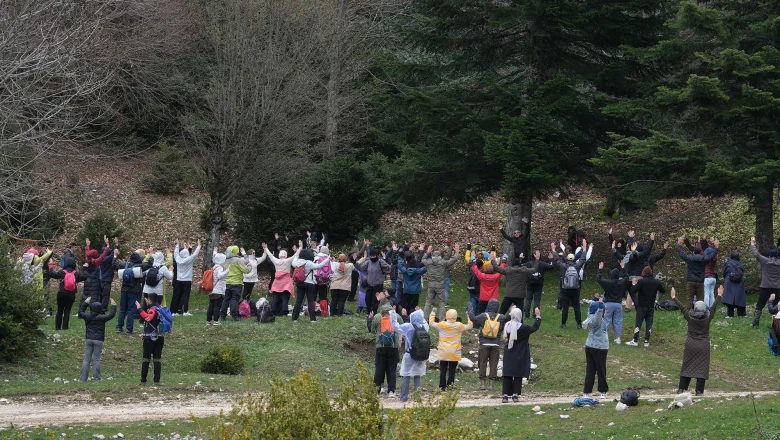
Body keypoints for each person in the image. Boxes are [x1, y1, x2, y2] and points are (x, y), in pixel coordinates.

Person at [672, 285, 722, 396]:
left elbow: (683, 308)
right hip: (703, 345)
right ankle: (699, 391)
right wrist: (719, 296)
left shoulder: (690, 316)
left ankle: (681, 389)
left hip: (690, 345)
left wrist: (674, 297)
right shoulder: (708, 318)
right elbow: (713, 307)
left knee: (687, 366)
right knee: (702, 368)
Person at [467, 299, 509, 391]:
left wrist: (470, 306)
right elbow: (508, 319)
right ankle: (491, 385)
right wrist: (511, 311)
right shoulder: (501, 317)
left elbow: (472, 318)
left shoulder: (483, 316)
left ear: (488, 306)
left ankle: (482, 384)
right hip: (496, 344)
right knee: (493, 364)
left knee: (482, 363)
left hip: (484, 343)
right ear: (497, 307)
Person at [502, 306, 541, 403]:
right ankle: (515, 395)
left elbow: (504, 320)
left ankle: (505, 395)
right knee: (517, 374)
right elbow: (534, 328)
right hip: (520, 353)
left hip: (508, 353)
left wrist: (510, 311)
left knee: (508, 374)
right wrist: (538, 317)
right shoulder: (524, 328)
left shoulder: (506, 326)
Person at [389, 308, 428, 403]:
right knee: (417, 376)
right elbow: (425, 321)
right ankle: (416, 397)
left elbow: (395, 326)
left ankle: (403, 397)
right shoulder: (425, 327)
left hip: (409, 354)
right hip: (421, 354)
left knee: (406, 375)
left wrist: (393, 314)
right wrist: (420, 312)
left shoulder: (408, 326)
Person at [429, 308, 472, 391]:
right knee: (452, 370)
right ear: (456, 317)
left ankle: (442, 386)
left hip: (443, 352)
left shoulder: (442, 325)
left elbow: (431, 323)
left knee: (443, 370)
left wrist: (433, 312)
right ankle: (450, 386)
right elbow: (470, 326)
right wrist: (468, 316)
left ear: (446, 316)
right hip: (454, 352)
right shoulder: (459, 326)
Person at [77, 296, 116, 381]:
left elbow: (81, 311)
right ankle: (97, 378)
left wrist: (86, 302)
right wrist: (113, 304)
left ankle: (83, 378)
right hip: (98, 340)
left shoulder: (87, 316)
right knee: (96, 359)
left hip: (88, 339)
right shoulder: (102, 318)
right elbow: (112, 314)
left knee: (86, 359)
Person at [551, 241, 587, 329]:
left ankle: (563, 324)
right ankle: (579, 324)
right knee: (576, 307)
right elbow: (582, 260)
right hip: (575, 290)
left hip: (565, 289)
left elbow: (557, 259)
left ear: (567, 259)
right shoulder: (577, 266)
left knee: (565, 307)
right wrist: (585, 249)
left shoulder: (563, 266)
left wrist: (553, 250)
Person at [370, 304, 403, 397]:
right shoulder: (397, 317)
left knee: (379, 368)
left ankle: (377, 390)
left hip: (380, 346)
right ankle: (391, 391)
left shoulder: (377, 317)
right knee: (392, 369)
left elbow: (372, 331)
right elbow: (402, 329)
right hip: (393, 346)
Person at [115, 251, 152, 335]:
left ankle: (119, 327)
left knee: (122, 309)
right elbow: (149, 264)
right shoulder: (139, 267)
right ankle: (129, 329)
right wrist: (150, 254)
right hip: (134, 291)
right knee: (131, 310)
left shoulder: (125, 265)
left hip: (124, 290)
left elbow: (115, 264)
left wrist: (115, 256)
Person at [628, 266, 665, 347]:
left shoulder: (641, 281)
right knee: (649, 324)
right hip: (651, 306)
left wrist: (634, 284)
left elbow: (633, 290)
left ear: (644, 273)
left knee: (638, 323)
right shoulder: (656, 282)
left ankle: (635, 340)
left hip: (642, 305)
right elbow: (663, 290)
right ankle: (646, 341)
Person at [677, 236, 719, 306]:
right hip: (700, 281)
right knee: (700, 299)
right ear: (700, 252)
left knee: (689, 299)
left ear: (693, 252)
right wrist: (716, 247)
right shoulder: (704, 259)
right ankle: (700, 312)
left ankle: (689, 313)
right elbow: (711, 256)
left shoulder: (690, 258)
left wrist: (679, 244)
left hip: (691, 281)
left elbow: (682, 254)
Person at [421, 246, 460, 321]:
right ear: (440, 256)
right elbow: (454, 259)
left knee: (428, 302)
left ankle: (425, 319)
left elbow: (423, 259)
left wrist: (428, 252)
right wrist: (457, 252)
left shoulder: (429, 263)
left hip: (431, 285)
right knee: (442, 303)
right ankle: (442, 319)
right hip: (440, 286)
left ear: (432, 256)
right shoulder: (443, 263)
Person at [48, 256, 86, 330]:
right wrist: (82, 269)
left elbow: (51, 274)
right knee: (67, 311)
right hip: (71, 293)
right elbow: (84, 277)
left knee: (60, 310)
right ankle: (65, 327)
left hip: (62, 292)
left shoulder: (62, 272)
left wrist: (51, 265)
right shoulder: (76, 273)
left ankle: (57, 327)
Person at [263, 241, 301, 317]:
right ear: (286, 255)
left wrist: (266, 248)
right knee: (285, 297)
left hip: (277, 282)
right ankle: (284, 310)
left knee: (276, 297)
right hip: (286, 282)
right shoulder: (288, 260)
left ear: (279, 255)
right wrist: (300, 247)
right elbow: (296, 255)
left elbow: (270, 255)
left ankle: (273, 310)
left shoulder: (276, 261)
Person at [292, 247, 329, 323]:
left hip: (299, 283)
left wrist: (296, 254)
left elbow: (293, 261)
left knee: (298, 301)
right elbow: (319, 266)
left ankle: (294, 318)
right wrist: (327, 260)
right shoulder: (308, 263)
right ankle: (312, 318)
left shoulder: (297, 262)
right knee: (310, 301)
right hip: (309, 284)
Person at [750, 237, 780, 328]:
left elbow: (756, 254)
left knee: (760, 305)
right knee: (776, 306)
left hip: (765, 286)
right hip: (777, 287)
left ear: (769, 255)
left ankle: (755, 323)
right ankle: (776, 325)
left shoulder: (765, 261)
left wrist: (752, 243)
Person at [582, 295, 608, 399]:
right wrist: (601, 306)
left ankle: (586, 392)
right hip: (600, 348)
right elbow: (598, 315)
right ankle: (603, 391)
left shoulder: (589, 317)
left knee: (590, 370)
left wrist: (595, 300)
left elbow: (591, 309)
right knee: (601, 370)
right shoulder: (598, 320)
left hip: (589, 346)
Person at [597, 260, 628, 344]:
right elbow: (626, 277)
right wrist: (623, 267)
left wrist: (600, 269)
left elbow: (599, 279)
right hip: (618, 304)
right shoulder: (621, 283)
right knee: (618, 321)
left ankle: (604, 337)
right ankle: (618, 338)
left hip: (608, 304)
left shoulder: (608, 283)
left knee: (606, 320)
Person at [136, 294, 165, 386]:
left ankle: (143, 380)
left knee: (146, 359)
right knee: (157, 359)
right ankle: (157, 380)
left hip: (150, 338)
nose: (146, 301)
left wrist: (139, 308)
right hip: (160, 337)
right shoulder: (161, 309)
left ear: (150, 300)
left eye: (147, 300)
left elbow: (148, 318)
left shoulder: (153, 309)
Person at [357, 248, 391, 315]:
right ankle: (368, 311)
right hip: (370, 284)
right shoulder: (368, 262)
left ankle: (374, 312)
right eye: (371, 256)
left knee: (375, 300)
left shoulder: (380, 262)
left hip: (378, 284)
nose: (372, 257)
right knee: (367, 298)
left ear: (377, 255)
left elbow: (388, 268)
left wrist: (391, 265)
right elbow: (361, 268)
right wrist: (356, 263)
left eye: (374, 256)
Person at [172, 239, 201, 316]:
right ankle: (185, 311)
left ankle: (174, 312)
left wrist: (177, 244)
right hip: (187, 280)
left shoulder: (178, 259)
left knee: (177, 295)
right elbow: (195, 254)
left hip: (179, 279)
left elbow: (175, 253)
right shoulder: (189, 259)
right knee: (186, 295)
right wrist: (199, 245)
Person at [523, 250, 556, 319]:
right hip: (538, 284)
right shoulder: (542, 264)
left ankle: (526, 315)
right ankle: (535, 315)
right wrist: (551, 259)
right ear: (535, 255)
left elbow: (520, 267)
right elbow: (552, 267)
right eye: (538, 253)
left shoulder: (529, 264)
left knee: (528, 300)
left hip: (529, 284)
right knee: (536, 300)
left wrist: (520, 259)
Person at [241, 248, 266, 317]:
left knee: (249, 293)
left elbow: (263, 257)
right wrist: (243, 253)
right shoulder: (245, 259)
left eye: (255, 252)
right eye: (253, 253)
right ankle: (243, 305)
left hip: (253, 279)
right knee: (245, 293)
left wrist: (265, 250)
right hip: (246, 279)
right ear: (250, 253)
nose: (254, 254)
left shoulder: (256, 260)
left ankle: (248, 305)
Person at [98, 236, 119, 311]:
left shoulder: (101, 257)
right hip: (107, 279)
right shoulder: (107, 259)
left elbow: (104, 250)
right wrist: (116, 244)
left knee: (101, 294)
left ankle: (99, 306)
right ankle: (103, 308)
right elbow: (114, 252)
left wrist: (106, 243)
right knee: (106, 294)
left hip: (102, 278)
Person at [722, 252, 747, 318]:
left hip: (729, 282)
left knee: (730, 298)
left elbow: (724, 273)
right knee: (740, 298)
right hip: (739, 282)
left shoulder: (728, 264)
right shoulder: (740, 264)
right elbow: (742, 273)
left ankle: (730, 314)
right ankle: (741, 314)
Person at [208, 251, 229, 326]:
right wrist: (227, 270)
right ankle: (216, 320)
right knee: (217, 306)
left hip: (212, 289)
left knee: (211, 306)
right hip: (218, 290)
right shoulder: (219, 267)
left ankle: (208, 320)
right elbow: (220, 276)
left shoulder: (214, 267)